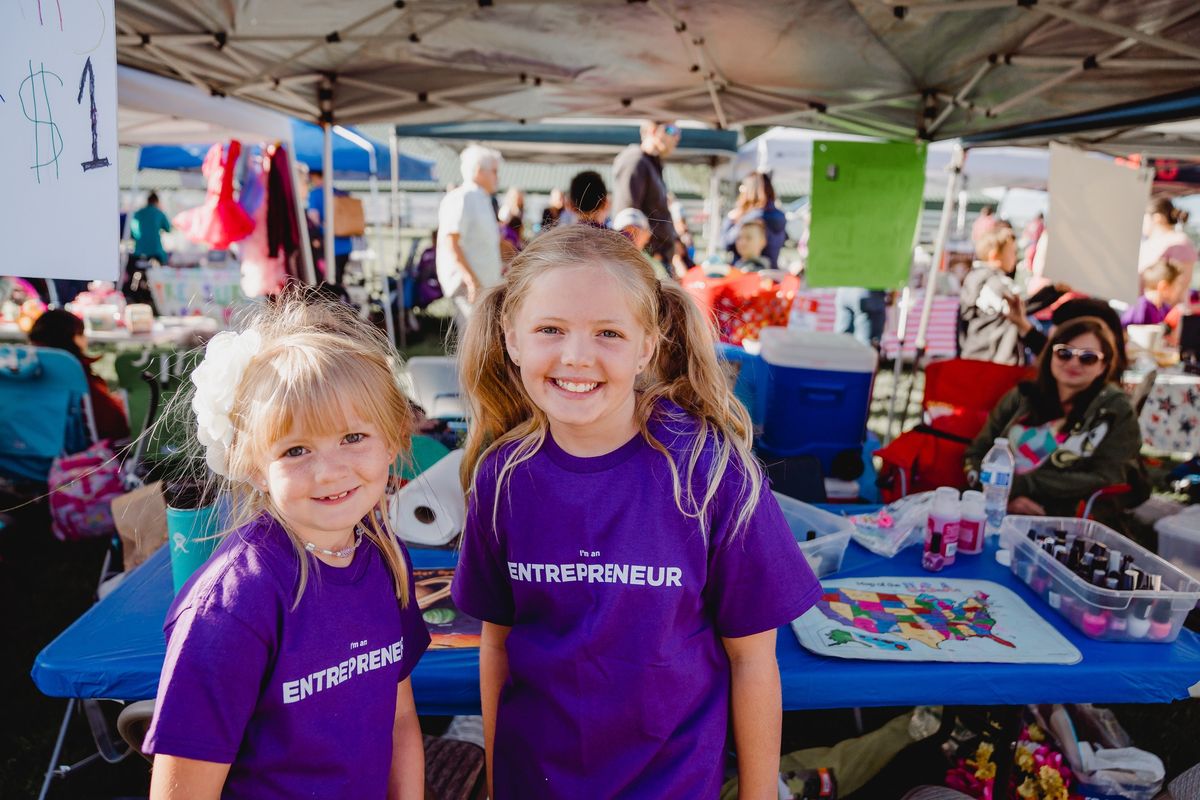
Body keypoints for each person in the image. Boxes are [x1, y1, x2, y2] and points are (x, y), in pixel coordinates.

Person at [451, 225, 820, 799]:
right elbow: (496, 646)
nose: (577, 356)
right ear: (511, 337)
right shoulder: (501, 478)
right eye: (550, 329)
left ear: (647, 344)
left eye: (608, 332)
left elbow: (753, 661)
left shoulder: (710, 471)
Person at [143, 290, 430, 799]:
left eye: (354, 437)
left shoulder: (385, 556)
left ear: (392, 438)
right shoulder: (232, 607)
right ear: (252, 464)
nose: (330, 470)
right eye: (296, 449)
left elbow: (400, 718)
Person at [964, 316, 1143, 519]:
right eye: (1064, 353)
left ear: (1103, 366)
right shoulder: (1023, 395)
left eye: (1088, 358)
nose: (1074, 363)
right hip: (994, 509)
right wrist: (1002, 497)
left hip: (1064, 520)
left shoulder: (1115, 410)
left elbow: (1109, 477)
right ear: (1050, 355)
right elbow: (977, 453)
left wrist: (1025, 485)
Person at [28, 310, 130, 441]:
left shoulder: (23, 377)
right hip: (79, 453)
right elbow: (116, 427)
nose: (86, 340)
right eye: (82, 334)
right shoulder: (76, 378)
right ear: (74, 338)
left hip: (30, 448)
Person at [437, 145, 504, 331]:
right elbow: (451, 241)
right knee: (471, 342)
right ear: (478, 171)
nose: (497, 177)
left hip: (484, 284)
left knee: (483, 341)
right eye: (494, 171)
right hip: (469, 285)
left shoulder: (482, 199)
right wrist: (470, 279)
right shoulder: (462, 197)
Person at [611, 120, 681, 269]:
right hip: (646, 263)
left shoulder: (650, 163)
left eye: (678, 132)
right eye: (670, 130)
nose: (676, 137)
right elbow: (626, 221)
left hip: (653, 261)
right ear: (653, 130)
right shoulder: (635, 161)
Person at [958, 225, 1024, 364]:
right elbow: (1017, 309)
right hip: (990, 358)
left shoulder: (976, 277)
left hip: (978, 355)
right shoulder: (992, 282)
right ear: (994, 255)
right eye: (1012, 252)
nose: (1015, 258)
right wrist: (1051, 293)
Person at [720, 172, 788, 269]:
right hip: (770, 271)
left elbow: (726, 243)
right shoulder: (778, 216)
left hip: (749, 272)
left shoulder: (751, 218)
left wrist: (730, 220)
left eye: (743, 187)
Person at [306, 171, 353, 288]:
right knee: (338, 283)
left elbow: (313, 218)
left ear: (316, 177)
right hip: (345, 246)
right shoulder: (340, 193)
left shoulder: (315, 194)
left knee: (326, 289)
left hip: (327, 248)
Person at [1139, 197, 1197, 288]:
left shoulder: (1179, 243)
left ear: (1157, 217)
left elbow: (1180, 284)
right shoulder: (1148, 243)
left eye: (1143, 217)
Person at [1122, 257, 1184, 327]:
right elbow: (1125, 332)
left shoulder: (1165, 308)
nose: (1179, 290)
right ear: (1164, 286)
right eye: (1176, 285)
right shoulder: (1140, 308)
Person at [131, 192, 172, 266]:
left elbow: (133, 232)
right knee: (162, 268)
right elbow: (168, 229)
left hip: (139, 251)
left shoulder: (138, 213)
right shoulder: (159, 213)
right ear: (156, 202)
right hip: (156, 251)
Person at [498, 187, 526, 259]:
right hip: (508, 238)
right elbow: (501, 226)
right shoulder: (506, 209)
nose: (519, 199)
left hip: (515, 238)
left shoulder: (521, 210)